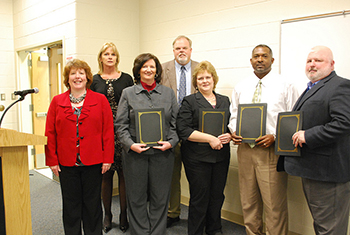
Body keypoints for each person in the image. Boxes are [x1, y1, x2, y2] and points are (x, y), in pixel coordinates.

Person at [228, 44, 299, 235]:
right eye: (256, 56)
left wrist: (275, 136)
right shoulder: (241, 86)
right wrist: (234, 131)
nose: (260, 59)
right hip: (245, 151)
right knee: (248, 202)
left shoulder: (286, 86)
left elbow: (294, 119)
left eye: (264, 56)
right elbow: (234, 115)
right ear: (251, 60)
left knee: (274, 205)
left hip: (271, 151)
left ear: (272, 60)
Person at [281, 46, 350, 234]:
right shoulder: (313, 87)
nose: (312, 64)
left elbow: (344, 123)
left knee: (330, 228)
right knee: (322, 224)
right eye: (309, 61)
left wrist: (308, 135)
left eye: (318, 60)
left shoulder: (340, 86)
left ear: (332, 64)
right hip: (314, 170)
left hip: (329, 174)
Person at [45, 59, 114, 235]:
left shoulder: (100, 100)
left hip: (94, 161)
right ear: (67, 78)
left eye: (81, 73)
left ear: (87, 77)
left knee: (92, 205)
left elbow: (108, 132)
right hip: (66, 163)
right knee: (70, 206)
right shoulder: (56, 101)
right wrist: (52, 160)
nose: (77, 77)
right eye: (73, 73)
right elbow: (50, 133)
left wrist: (107, 158)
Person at [115, 53, 179, 235]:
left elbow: (176, 124)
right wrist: (130, 145)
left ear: (157, 70)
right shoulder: (128, 93)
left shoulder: (168, 93)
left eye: (152, 66)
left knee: (160, 197)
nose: (149, 70)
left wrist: (171, 142)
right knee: (136, 197)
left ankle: (157, 231)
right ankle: (140, 232)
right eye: (144, 67)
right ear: (138, 70)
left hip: (163, 154)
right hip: (136, 155)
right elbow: (121, 125)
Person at [177, 61, 231, 235]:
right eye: (201, 78)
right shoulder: (190, 101)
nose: (205, 81)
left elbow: (230, 125)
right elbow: (183, 130)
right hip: (197, 158)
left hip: (221, 156)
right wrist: (209, 139)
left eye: (208, 77)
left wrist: (229, 135)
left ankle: (214, 229)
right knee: (200, 197)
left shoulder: (224, 100)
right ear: (196, 82)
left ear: (214, 79)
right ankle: (196, 231)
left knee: (217, 196)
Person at [90, 42, 134, 233]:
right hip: (102, 134)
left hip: (123, 131)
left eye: (113, 54)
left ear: (117, 58)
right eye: (106, 54)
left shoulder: (126, 79)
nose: (110, 57)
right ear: (100, 57)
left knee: (124, 176)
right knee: (105, 177)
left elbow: (133, 104)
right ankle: (107, 215)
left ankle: (124, 214)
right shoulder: (94, 80)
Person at [160, 35, 199, 227]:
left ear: (190, 50)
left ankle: (197, 215)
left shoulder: (201, 68)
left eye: (184, 48)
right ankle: (173, 212)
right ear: (173, 50)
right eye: (177, 48)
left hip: (194, 131)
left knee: (196, 176)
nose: (181, 51)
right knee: (172, 175)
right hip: (171, 130)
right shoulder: (162, 68)